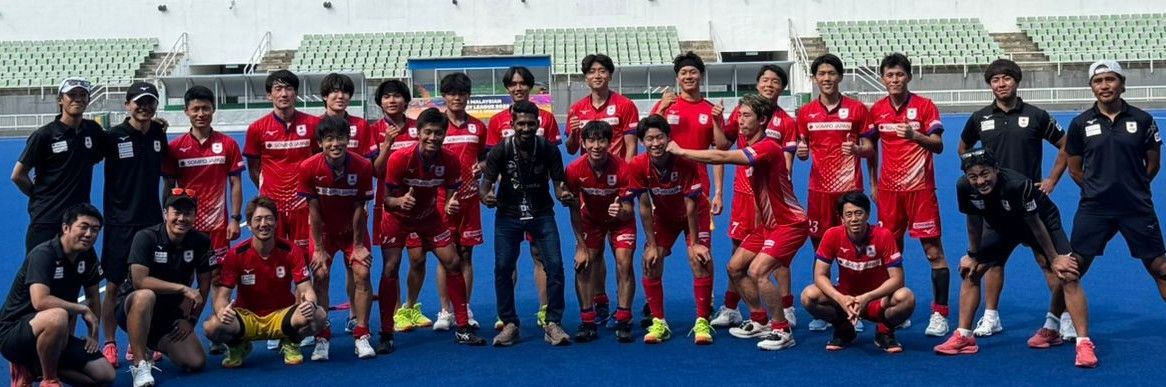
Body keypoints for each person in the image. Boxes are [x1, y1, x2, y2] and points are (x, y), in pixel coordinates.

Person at [666, 95, 809, 350]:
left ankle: (782, 329)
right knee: (734, 267)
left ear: (762, 120)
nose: (740, 120)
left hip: (790, 224)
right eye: (739, 115)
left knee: (758, 271)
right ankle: (759, 319)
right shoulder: (752, 145)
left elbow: (720, 155)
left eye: (746, 116)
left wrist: (681, 151)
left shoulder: (767, 147)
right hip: (768, 226)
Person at [1059, 60, 1166, 368]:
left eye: (1110, 79)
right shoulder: (1080, 123)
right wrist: (1097, 190)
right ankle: (1077, 338)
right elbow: (1075, 168)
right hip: (1095, 209)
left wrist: (1133, 188)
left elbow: (1153, 163)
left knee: (1160, 267)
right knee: (1072, 269)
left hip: (1136, 207)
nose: (1104, 85)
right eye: (1098, 81)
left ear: (1122, 83)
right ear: (1092, 87)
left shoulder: (1143, 120)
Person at [957, 59, 1072, 338]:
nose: (1001, 84)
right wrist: (980, 181)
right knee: (994, 262)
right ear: (990, 85)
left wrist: (1051, 180)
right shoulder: (980, 118)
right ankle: (991, 316)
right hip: (996, 207)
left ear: (1016, 81)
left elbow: (1067, 144)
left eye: (1006, 78)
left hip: (1031, 202)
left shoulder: (1036, 115)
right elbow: (963, 149)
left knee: (1049, 262)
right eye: (995, 80)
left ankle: (1064, 318)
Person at [934, 150, 1086, 360]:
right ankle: (964, 336)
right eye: (973, 177)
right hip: (1003, 226)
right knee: (972, 271)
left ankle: (1076, 338)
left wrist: (1054, 259)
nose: (980, 181)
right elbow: (973, 222)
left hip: (1041, 220)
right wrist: (973, 254)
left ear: (996, 169)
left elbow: (1035, 224)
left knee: (1067, 272)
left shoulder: (1017, 184)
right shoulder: (964, 187)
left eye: (985, 173)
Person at [380, 107, 488, 348]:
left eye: (438, 133)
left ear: (444, 135)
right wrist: (399, 201)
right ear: (418, 133)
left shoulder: (450, 160)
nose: (432, 138)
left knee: (453, 261)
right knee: (390, 268)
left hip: (429, 217)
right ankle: (386, 333)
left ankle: (462, 327)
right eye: (427, 132)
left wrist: (450, 200)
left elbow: (451, 187)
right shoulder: (400, 158)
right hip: (397, 218)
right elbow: (386, 200)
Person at [862, 53, 951, 336]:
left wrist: (916, 137)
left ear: (908, 77)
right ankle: (896, 307)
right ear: (882, 78)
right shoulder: (876, 110)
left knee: (933, 252)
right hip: (889, 193)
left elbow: (938, 146)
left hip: (920, 191)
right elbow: (870, 149)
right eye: (889, 75)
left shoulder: (924, 107)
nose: (895, 80)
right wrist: (873, 184)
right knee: (890, 252)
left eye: (900, 75)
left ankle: (940, 314)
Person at [710, 64, 801, 330]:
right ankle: (732, 308)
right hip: (743, 195)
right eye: (764, 80)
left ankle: (786, 307)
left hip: (769, 200)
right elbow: (722, 147)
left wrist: (777, 192)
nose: (769, 84)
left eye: (775, 81)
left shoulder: (785, 122)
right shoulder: (742, 112)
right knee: (738, 253)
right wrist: (718, 191)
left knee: (777, 256)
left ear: (782, 87)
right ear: (758, 83)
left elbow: (786, 163)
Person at [792, 54, 874, 332]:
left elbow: (870, 148)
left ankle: (858, 307)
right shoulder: (805, 113)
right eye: (821, 74)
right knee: (822, 249)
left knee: (854, 250)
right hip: (818, 192)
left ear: (840, 76)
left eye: (831, 73)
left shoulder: (857, 109)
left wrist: (859, 150)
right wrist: (802, 153)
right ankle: (828, 306)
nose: (826, 78)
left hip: (849, 191)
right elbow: (803, 151)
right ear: (814, 78)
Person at [161, 86, 246, 354]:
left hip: (218, 228)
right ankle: (169, 332)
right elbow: (168, 186)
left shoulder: (228, 144)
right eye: (195, 109)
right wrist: (166, 220)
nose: (201, 114)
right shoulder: (175, 149)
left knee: (218, 281)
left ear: (213, 110)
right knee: (182, 283)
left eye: (205, 108)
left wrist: (234, 218)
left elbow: (235, 184)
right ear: (186, 111)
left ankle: (218, 331)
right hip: (185, 229)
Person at [482, 101, 573, 347]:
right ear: (512, 124)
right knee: (503, 268)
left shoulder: (548, 149)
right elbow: (485, 184)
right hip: (508, 214)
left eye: (530, 124)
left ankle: (553, 322)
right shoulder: (500, 150)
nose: (525, 128)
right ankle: (510, 323)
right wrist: (486, 196)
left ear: (538, 124)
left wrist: (563, 194)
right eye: (520, 123)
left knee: (555, 266)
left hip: (542, 213)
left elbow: (558, 184)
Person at [646, 52, 726, 327]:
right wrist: (661, 110)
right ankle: (653, 305)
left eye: (693, 72)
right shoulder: (667, 106)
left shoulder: (710, 109)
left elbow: (719, 151)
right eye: (683, 73)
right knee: (655, 253)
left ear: (700, 75)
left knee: (701, 252)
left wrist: (718, 191)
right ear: (677, 77)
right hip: (666, 192)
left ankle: (707, 304)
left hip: (698, 192)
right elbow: (649, 134)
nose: (688, 77)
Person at [202, 196, 327, 368]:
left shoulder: (291, 250)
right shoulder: (236, 254)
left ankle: (291, 341)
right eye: (258, 219)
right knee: (211, 326)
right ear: (250, 224)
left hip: (282, 315)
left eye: (269, 219)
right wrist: (222, 311)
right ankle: (238, 346)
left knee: (318, 316)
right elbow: (222, 296)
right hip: (247, 318)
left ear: (276, 222)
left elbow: (306, 289)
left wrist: (311, 303)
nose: (264, 224)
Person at [623, 115, 715, 345]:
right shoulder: (636, 165)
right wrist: (652, 245)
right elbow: (644, 206)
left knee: (699, 259)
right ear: (642, 142)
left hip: (695, 214)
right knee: (650, 261)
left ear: (668, 138)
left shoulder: (684, 161)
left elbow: (691, 204)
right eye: (649, 139)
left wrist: (695, 243)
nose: (655, 143)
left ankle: (703, 320)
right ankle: (659, 322)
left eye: (659, 137)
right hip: (664, 217)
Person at [0, 204, 116, 387]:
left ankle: (33, 368)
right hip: (14, 333)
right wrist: (80, 308)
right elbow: (40, 301)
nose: (89, 234)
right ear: (66, 228)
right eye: (83, 227)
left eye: (95, 230)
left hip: (55, 333)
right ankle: (49, 379)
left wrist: (93, 336)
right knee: (58, 315)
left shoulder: (87, 255)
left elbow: (93, 296)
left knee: (105, 376)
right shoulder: (43, 254)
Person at [486, 66, 563, 329]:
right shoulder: (496, 123)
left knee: (545, 259)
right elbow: (490, 168)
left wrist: (562, 191)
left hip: (540, 205)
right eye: (513, 84)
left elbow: (556, 167)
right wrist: (494, 190)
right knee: (505, 264)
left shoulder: (549, 121)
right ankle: (507, 317)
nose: (518, 88)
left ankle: (546, 311)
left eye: (523, 83)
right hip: (509, 205)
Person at [98, 82, 168, 366]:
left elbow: (167, 175)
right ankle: (111, 343)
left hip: (150, 222)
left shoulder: (157, 135)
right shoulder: (112, 137)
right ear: (127, 104)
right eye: (139, 102)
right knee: (114, 284)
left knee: (148, 286)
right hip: (119, 224)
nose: (145, 107)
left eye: (150, 102)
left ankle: (140, 343)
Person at [296, 116, 375, 360]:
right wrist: (319, 249)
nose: (335, 143)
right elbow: (314, 211)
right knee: (319, 274)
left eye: (340, 138)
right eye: (329, 139)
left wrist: (359, 245)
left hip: (353, 232)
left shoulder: (362, 166)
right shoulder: (308, 167)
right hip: (325, 233)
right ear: (320, 142)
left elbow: (359, 209)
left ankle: (361, 334)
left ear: (348, 139)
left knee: (362, 272)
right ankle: (323, 336)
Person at [117, 191, 214, 387]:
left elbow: (204, 284)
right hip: (132, 306)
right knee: (145, 296)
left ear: (195, 216)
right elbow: (139, 281)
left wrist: (191, 321)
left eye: (188, 213)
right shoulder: (146, 237)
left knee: (196, 361)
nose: (182, 218)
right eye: (176, 212)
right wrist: (182, 289)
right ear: (165, 213)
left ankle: (149, 342)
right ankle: (140, 365)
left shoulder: (201, 242)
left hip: (169, 313)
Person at [800, 192, 915, 353]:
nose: (854, 219)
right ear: (842, 218)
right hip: (845, 301)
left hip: (876, 301)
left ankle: (884, 331)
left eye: (858, 213)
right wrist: (840, 298)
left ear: (867, 214)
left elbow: (897, 279)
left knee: (906, 297)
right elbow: (819, 275)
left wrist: (867, 297)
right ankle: (844, 329)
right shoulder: (832, 235)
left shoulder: (884, 236)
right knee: (809, 296)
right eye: (848, 214)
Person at [563, 120, 637, 342]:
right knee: (584, 263)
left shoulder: (624, 169)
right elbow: (574, 210)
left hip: (620, 222)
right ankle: (588, 319)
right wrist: (580, 246)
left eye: (602, 140)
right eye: (591, 141)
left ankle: (623, 318)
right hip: (591, 220)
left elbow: (628, 210)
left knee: (624, 262)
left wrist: (620, 211)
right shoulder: (574, 169)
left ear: (610, 142)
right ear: (584, 143)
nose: (596, 146)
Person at [12, 77, 106, 253]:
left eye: (82, 95)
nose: (77, 99)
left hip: (79, 220)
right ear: (60, 99)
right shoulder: (44, 135)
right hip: (47, 218)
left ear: (88, 99)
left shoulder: (93, 130)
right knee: (40, 272)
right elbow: (18, 175)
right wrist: (37, 195)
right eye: (71, 94)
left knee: (79, 273)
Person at [367, 80, 431, 334]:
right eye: (386, 97)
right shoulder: (374, 131)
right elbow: (375, 171)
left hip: (419, 206)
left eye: (396, 96)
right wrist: (387, 145)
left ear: (406, 101)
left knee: (418, 258)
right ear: (380, 102)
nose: (391, 101)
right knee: (391, 264)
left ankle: (410, 307)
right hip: (388, 206)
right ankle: (393, 314)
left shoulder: (419, 129)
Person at [243, 70, 321, 251]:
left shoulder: (313, 124)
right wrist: (269, 192)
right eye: (278, 89)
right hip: (271, 207)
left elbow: (319, 162)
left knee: (305, 259)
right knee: (273, 256)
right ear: (269, 95)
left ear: (296, 93)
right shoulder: (256, 128)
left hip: (304, 205)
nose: (284, 94)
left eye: (289, 89)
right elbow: (254, 169)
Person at [434, 73, 488, 330]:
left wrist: (483, 167)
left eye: (462, 93)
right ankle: (445, 311)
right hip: (441, 199)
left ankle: (463, 307)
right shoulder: (436, 126)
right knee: (446, 256)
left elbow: (486, 158)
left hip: (469, 199)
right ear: (444, 96)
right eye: (451, 93)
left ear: (468, 97)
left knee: (466, 254)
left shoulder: (478, 127)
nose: (457, 98)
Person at [567, 53, 640, 161]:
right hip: (589, 173)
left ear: (610, 76)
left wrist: (626, 174)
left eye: (602, 71)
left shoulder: (626, 105)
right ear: (586, 78)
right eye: (591, 72)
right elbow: (571, 150)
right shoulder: (576, 109)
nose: (597, 76)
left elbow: (631, 146)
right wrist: (574, 133)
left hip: (617, 173)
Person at [320, 73, 373, 154]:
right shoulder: (316, 124)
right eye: (335, 91)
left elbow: (367, 157)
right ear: (325, 96)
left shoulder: (361, 125)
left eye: (345, 92)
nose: (340, 96)